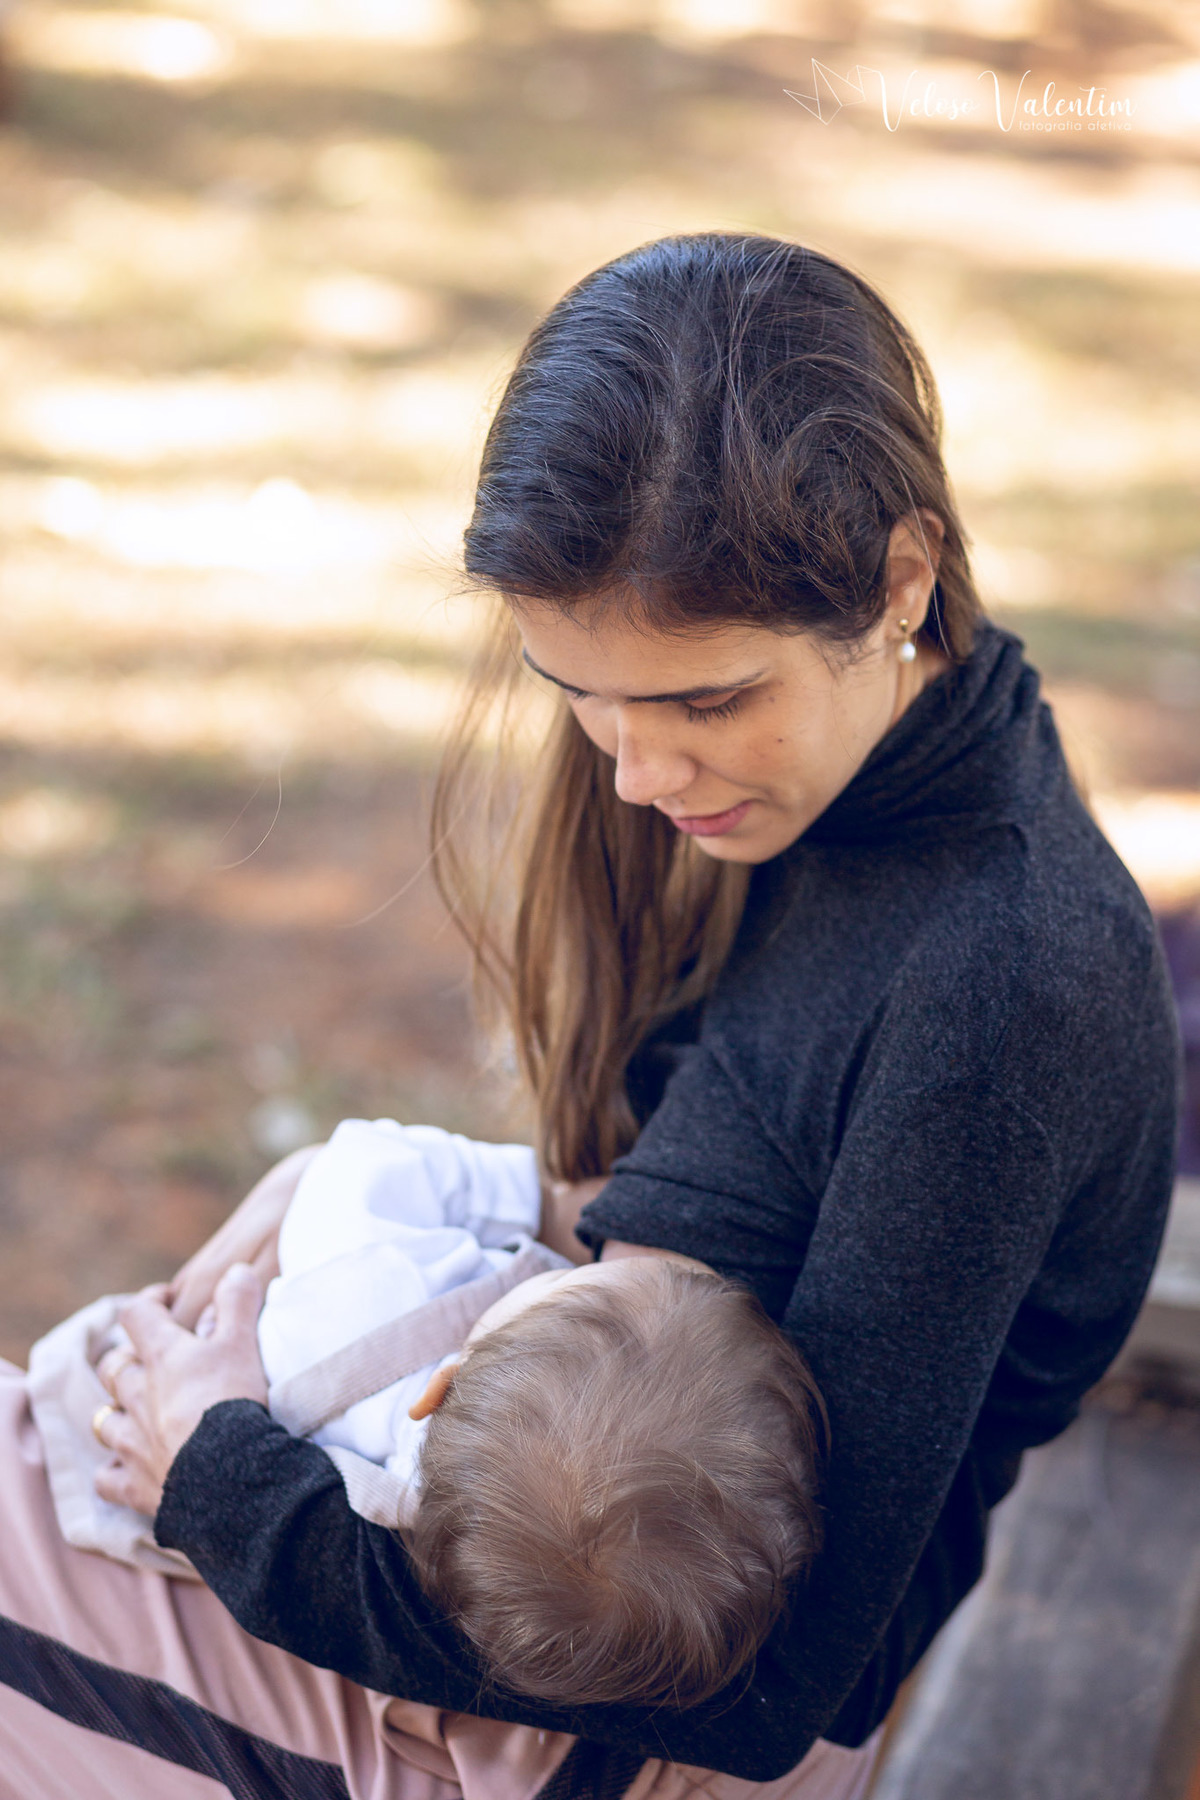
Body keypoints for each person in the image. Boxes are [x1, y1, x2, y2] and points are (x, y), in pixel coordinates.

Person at [0, 233, 1181, 1800]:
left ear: (903, 577)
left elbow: (763, 1689)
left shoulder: (994, 991)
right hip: (500, 1560)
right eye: (582, 696)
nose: (636, 775)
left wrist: (226, 1481)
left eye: (704, 703)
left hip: (605, 1720)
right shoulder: (865, 770)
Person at [32, 1117, 825, 1712]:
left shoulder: (375, 1279)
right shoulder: (463, 1554)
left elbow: (363, 1160)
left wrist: (521, 1193)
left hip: (111, 1408)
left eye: (560, 1280)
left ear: (438, 1385)